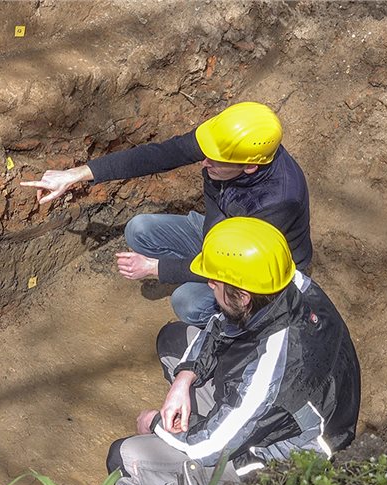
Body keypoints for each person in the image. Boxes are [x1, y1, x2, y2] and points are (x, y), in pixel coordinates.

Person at [104, 217, 360, 485]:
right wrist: (185, 377)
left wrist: (154, 425)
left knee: (124, 459)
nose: (209, 283)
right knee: (173, 341)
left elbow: (209, 446)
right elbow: (220, 321)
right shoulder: (291, 285)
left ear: (244, 296)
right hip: (282, 407)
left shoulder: (272, 370)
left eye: (216, 282)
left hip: (288, 458)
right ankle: (217, 414)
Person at [20, 102, 312, 326]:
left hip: (260, 275)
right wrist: (76, 174)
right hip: (219, 234)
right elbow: (159, 155)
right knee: (140, 229)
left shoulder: (276, 201)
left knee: (188, 302)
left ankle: (242, 335)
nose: (204, 162)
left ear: (250, 166)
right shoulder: (229, 146)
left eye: (215, 161)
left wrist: (155, 269)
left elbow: (234, 268)